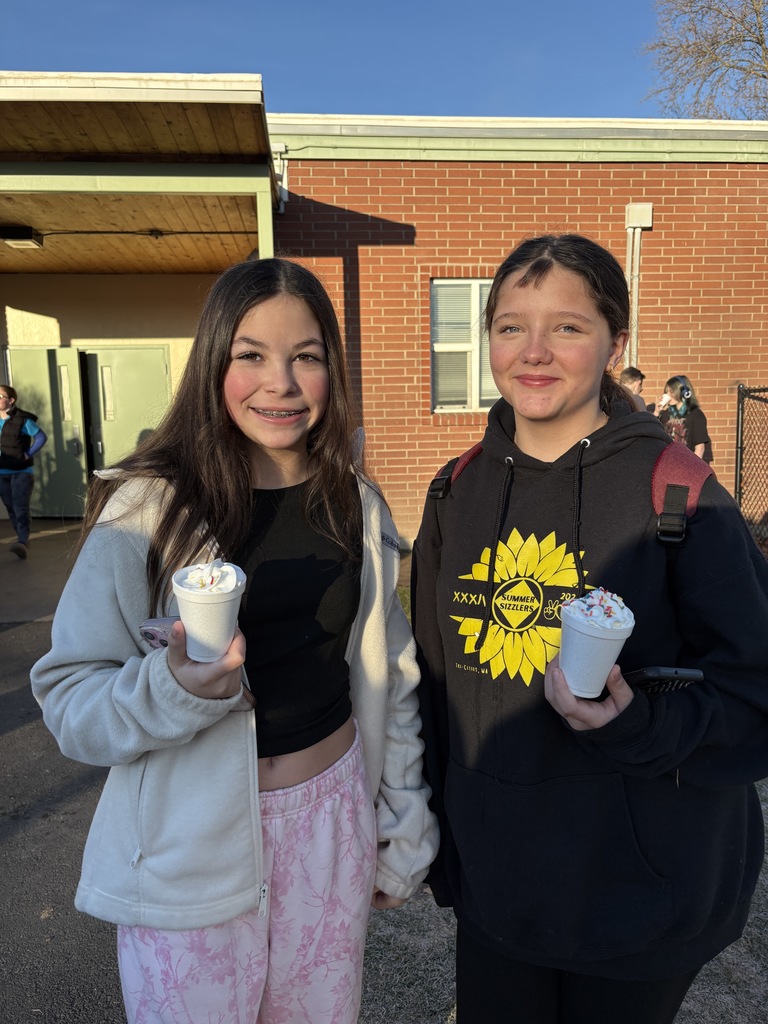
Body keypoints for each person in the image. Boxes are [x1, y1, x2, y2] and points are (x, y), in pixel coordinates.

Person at [31, 258, 438, 1024]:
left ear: (332, 370)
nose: (279, 382)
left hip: (331, 824)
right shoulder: (146, 510)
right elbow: (70, 698)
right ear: (214, 361)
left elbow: (394, 679)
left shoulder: (357, 503)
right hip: (189, 849)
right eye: (250, 354)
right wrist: (173, 689)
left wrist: (402, 821)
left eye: (306, 356)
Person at [411, 233, 768, 1024]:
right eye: (510, 326)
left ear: (617, 341)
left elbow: (755, 695)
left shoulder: (680, 497)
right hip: (498, 893)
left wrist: (636, 723)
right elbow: (433, 686)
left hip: (640, 899)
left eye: (567, 327)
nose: (534, 352)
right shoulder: (454, 492)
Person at [0, 384, 47, 559]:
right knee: (10, 507)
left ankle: (22, 541)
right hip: (2, 472)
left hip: (21, 471)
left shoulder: (22, 419)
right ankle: (21, 537)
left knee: (20, 506)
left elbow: (41, 437)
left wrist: (28, 454)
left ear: (11, 400)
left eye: (0, 396)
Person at [654, 374, 712, 461]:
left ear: (684, 393)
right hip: (667, 464)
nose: (668, 395)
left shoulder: (696, 414)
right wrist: (657, 412)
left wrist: (693, 468)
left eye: (671, 392)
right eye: (666, 392)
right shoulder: (666, 413)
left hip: (686, 464)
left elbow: (700, 447)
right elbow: (653, 432)